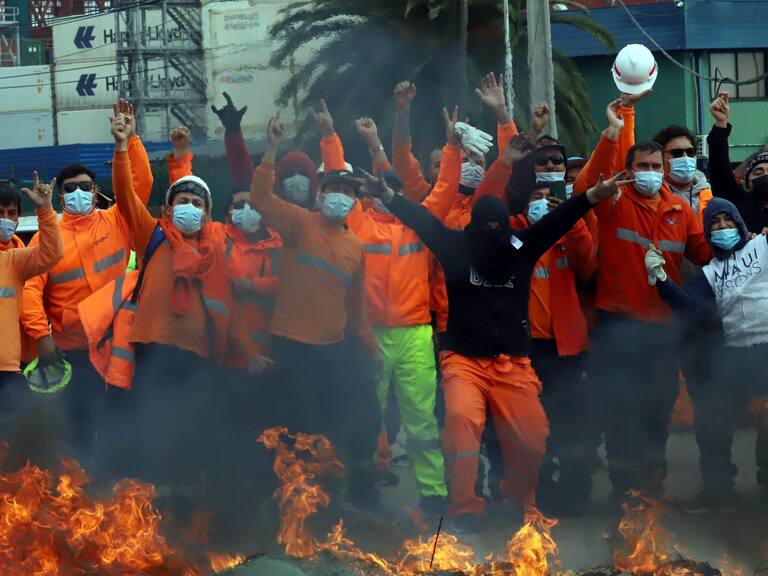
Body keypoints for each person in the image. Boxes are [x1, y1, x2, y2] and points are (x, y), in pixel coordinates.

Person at [367, 140, 632, 529]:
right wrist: (389, 197)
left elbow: (559, 220)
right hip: (463, 361)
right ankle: (464, 506)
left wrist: (593, 195)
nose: (492, 232)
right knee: (461, 423)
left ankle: (518, 499)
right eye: (485, 227)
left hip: (513, 363)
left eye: (498, 226)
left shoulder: (520, 249)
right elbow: (421, 220)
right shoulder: (455, 247)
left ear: (507, 228)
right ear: (473, 227)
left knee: (533, 434)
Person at [104, 111, 262, 499]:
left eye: (196, 202)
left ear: (207, 213)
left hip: (199, 356)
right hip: (153, 350)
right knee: (154, 425)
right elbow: (125, 197)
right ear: (168, 208)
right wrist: (122, 146)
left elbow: (227, 310)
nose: (188, 206)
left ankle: (188, 505)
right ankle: (153, 502)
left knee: (193, 431)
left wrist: (249, 352)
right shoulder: (153, 236)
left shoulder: (215, 252)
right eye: (182, 201)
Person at [576, 99, 712, 503]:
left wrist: (744, 244)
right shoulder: (614, 202)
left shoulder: (680, 210)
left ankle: (652, 487)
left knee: (658, 408)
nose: (650, 172)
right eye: (642, 166)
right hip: (618, 325)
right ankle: (624, 492)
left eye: (656, 166)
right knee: (620, 409)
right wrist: (612, 134)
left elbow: (705, 255)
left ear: (664, 170)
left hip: (662, 329)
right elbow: (586, 187)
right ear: (629, 170)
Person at [250, 113, 382, 508]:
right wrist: (272, 148)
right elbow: (260, 199)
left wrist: (371, 350)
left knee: (354, 418)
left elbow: (356, 309)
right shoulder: (299, 223)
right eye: (334, 189)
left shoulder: (355, 247)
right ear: (320, 195)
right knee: (299, 429)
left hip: (333, 349)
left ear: (354, 202)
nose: (340, 196)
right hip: (292, 346)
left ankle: (348, 493)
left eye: (347, 191)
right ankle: (298, 501)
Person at [20, 99, 153, 463]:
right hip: (74, 350)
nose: (78, 193)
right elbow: (30, 291)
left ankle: (123, 484)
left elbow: (139, 185)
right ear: (61, 195)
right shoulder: (47, 238)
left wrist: (129, 142)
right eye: (71, 189)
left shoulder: (117, 220)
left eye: (85, 187)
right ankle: (84, 485)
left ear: (96, 192)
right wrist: (41, 336)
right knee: (79, 428)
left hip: (119, 342)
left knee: (123, 421)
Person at [347, 107, 462, 517]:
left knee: (421, 419)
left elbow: (446, 188)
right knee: (366, 416)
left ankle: (432, 492)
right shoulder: (359, 223)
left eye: (391, 190)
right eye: (380, 190)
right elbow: (336, 175)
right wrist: (343, 139)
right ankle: (362, 487)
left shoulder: (420, 225)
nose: (386, 195)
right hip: (371, 335)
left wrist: (453, 147)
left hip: (414, 333)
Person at [646, 197, 768, 508]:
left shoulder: (762, 246)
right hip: (736, 355)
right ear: (708, 233)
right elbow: (690, 305)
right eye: (715, 223)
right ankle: (718, 490)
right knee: (713, 422)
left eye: (728, 220)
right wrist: (661, 280)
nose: (723, 227)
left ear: (739, 224)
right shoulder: (709, 272)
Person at [512, 183, 596, 517]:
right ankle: (539, 492)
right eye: (536, 196)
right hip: (525, 349)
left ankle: (576, 492)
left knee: (570, 423)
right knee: (531, 427)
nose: (543, 203)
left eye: (550, 198)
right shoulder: (513, 235)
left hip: (566, 348)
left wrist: (572, 221)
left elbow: (587, 266)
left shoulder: (568, 233)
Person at [0, 175, 63, 386]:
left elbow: (52, 253)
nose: (5, 219)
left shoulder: (15, 260)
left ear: (18, 220)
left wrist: (45, 210)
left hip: (10, 367)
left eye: (11, 213)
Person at [212, 91, 321, 209]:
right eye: (290, 174)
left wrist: (327, 134)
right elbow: (243, 172)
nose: (297, 179)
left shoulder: (326, 213)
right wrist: (233, 131)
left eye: (303, 173)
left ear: (313, 179)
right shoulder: (268, 212)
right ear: (279, 181)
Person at [708, 92, 768, 233]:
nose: (765, 175)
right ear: (746, 182)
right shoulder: (738, 203)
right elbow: (720, 170)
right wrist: (720, 124)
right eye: (758, 172)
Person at [652, 125, 712, 222]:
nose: (685, 157)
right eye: (677, 153)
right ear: (660, 157)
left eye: (690, 152)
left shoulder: (709, 193)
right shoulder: (652, 195)